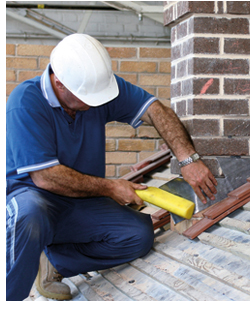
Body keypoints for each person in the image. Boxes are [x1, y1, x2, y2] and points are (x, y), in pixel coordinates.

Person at [6, 33, 218, 301]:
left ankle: (55, 260)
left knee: (138, 235)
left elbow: (155, 110)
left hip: (80, 199)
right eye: (88, 99)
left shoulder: (97, 89)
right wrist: (110, 187)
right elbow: (46, 178)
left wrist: (188, 159)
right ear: (60, 84)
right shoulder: (25, 101)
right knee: (29, 216)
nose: (96, 104)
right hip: (33, 198)